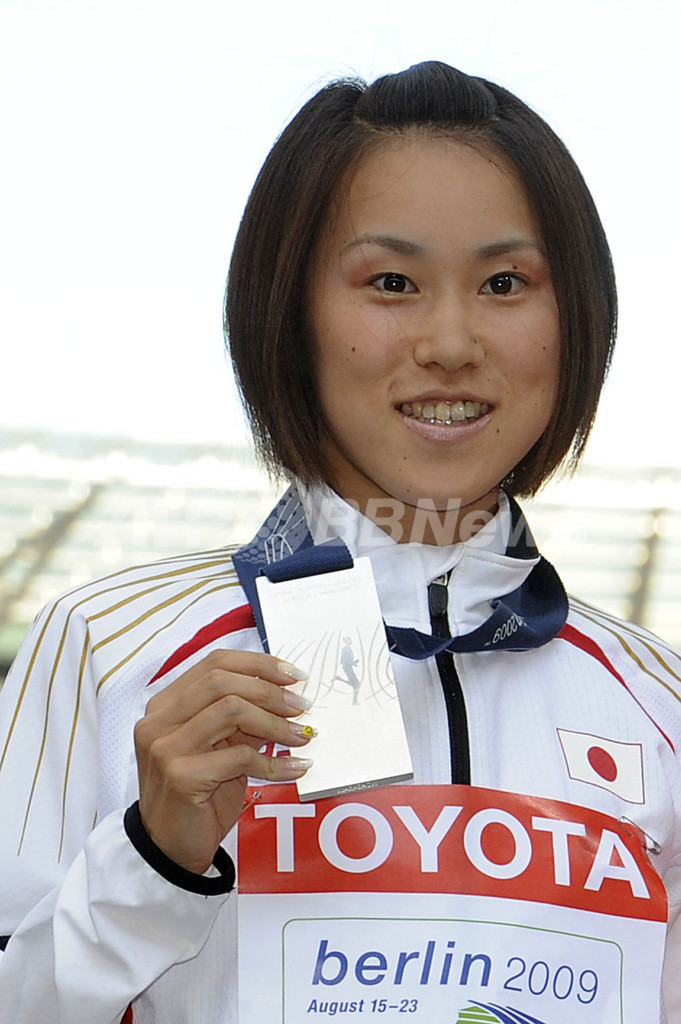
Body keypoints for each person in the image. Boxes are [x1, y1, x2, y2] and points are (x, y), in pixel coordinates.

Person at [0, 60, 679, 1024]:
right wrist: (152, 857)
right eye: (391, 282)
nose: (451, 342)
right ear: (289, 311)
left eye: (504, 282)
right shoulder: (110, 647)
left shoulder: (657, 699)